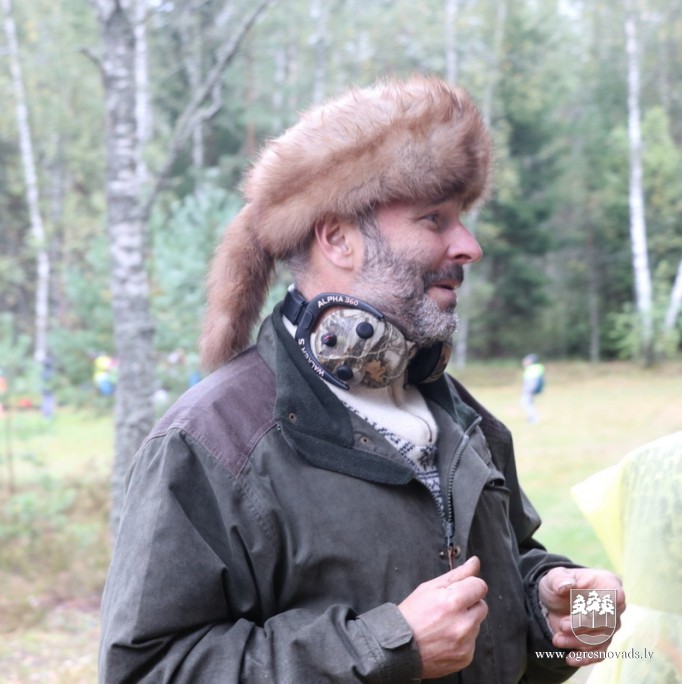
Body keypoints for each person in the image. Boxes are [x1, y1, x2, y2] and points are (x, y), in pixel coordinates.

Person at [99, 76, 625, 683]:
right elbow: (147, 670)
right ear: (338, 238)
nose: (469, 246)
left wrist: (548, 602)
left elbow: (499, 580)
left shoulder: (460, 415)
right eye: (434, 219)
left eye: (462, 219)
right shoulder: (211, 445)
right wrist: (388, 646)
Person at [521, 353, 545, 423]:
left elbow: (533, 381)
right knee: (528, 403)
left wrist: (530, 389)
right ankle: (533, 417)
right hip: (531, 389)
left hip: (530, 389)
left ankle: (534, 417)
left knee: (525, 402)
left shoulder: (533, 369)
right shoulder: (536, 368)